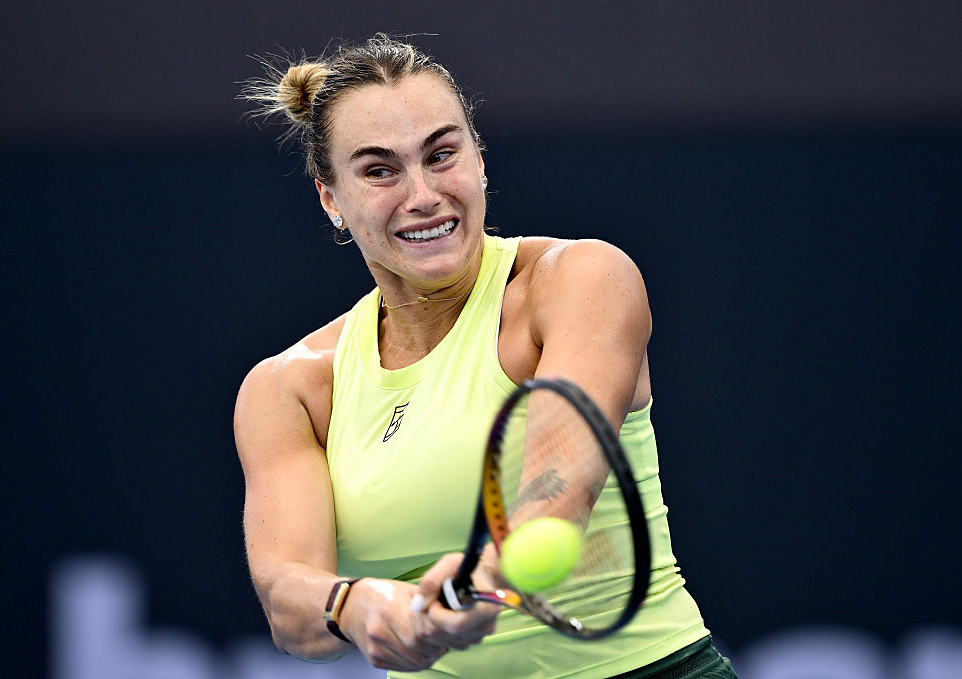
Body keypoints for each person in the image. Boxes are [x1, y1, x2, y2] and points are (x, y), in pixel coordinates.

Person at [234, 33, 737, 679]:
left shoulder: (583, 278)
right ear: (331, 199)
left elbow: (555, 495)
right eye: (380, 169)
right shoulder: (288, 388)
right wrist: (356, 604)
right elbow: (289, 602)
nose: (421, 194)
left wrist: (485, 575)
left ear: (479, 160)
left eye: (441, 155)